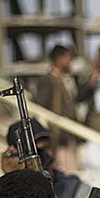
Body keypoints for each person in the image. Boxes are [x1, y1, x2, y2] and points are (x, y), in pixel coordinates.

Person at [2, 118, 92, 198]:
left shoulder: (75, 188)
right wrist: (13, 179)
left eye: (46, 147)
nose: (44, 155)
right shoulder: (6, 191)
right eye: (36, 151)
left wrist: (43, 185)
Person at [35, 44, 80, 172]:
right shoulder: (47, 80)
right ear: (58, 58)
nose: (70, 62)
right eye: (67, 58)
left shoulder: (65, 80)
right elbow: (41, 109)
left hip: (67, 137)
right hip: (56, 139)